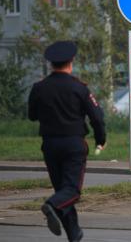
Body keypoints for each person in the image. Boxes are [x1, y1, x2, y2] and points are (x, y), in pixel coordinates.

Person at [28, 41, 106, 242]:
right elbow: (96, 117)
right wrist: (100, 139)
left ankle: (74, 233)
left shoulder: (39, 88)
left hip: (50, 145)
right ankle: (51, 205)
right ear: (71, 62)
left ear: (51, 64)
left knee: (63, 191)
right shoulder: (79, 88)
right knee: (71, 192)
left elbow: (32, 115)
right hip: (73, 145)